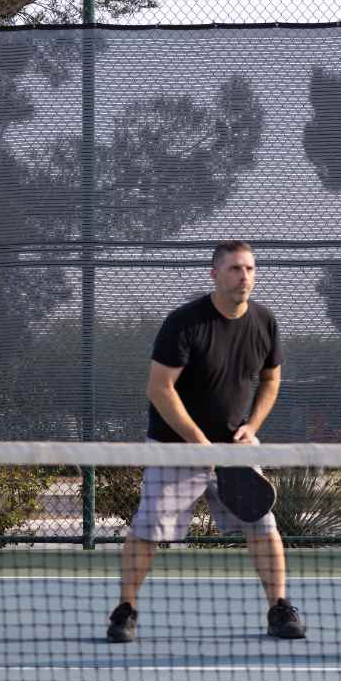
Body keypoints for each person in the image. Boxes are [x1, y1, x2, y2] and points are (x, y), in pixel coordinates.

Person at [106, 240, 306, 643]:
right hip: (176, 447)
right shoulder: (185, 322)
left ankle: (279, 608)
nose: (243, 277)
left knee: (263, 527)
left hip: (234, 447)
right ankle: (125, 610)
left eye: (249, 269)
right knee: (148, 529)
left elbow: (271, 379)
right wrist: (199, 443)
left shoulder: (264, 322)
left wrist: (252, 427)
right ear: (215, 274)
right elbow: (160, 388)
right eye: (234, 269)